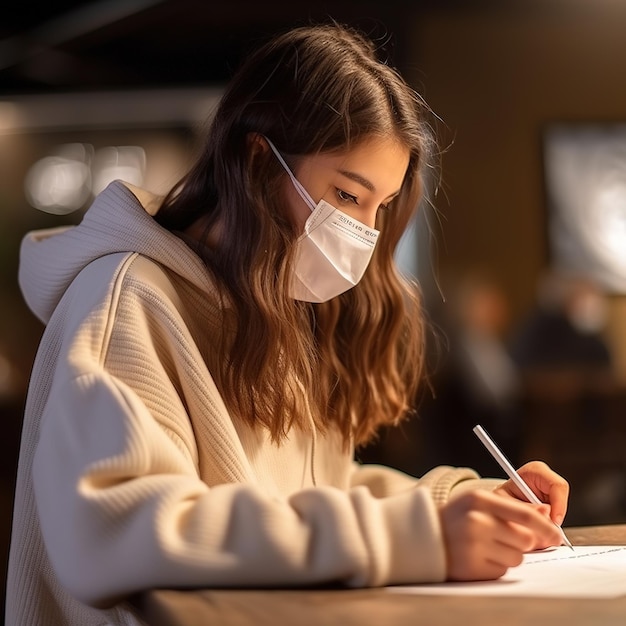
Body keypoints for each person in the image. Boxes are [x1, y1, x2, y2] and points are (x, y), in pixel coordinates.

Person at [6, 22, 568, 626]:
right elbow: (112, 529)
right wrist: (416, 536)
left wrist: (457, 505)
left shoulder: (273, 300)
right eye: (349, 196)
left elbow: (299, 502)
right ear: (257, 160)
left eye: (381, 207)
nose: (366, 234)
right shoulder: (127, 299)